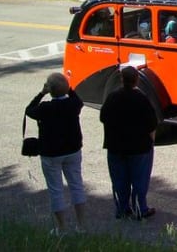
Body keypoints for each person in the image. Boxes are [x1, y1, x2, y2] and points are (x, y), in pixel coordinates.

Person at [25, 72, 87, 235]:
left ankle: (62, 228)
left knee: (55, 190)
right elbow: (77, 99)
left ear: (50, 90)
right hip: (73, 150)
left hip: (51, 153)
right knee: (76, 185)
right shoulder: (74, 104)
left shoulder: (45, 108)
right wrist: (68, 88)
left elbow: (29, 110)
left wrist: (41, 93)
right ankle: (81, 225)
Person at [100, 66, 158, 220]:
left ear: (121, 79)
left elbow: (103, 117)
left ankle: (122, 209)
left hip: (115, 146)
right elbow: (152, 124)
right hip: (139, 147)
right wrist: (151, 142)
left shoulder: (112, 97)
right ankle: (140, 209)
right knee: (139, 180)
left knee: (119, 180)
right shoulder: (142, 99)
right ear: (136, 80)